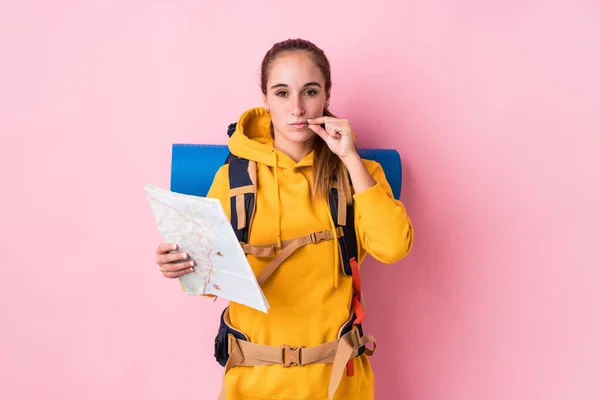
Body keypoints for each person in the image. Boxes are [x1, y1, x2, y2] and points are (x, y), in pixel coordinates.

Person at [154, 38, 414, 400]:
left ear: (326, 95)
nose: (296, 108)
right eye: (281, 93)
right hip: (253, 385)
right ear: (264, 98)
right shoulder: (234, 180)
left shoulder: (359, 174)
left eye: (309, 91)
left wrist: (351, 159)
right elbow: (209, 276)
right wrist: (178, 265)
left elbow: (394, 247)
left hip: (338, 383)